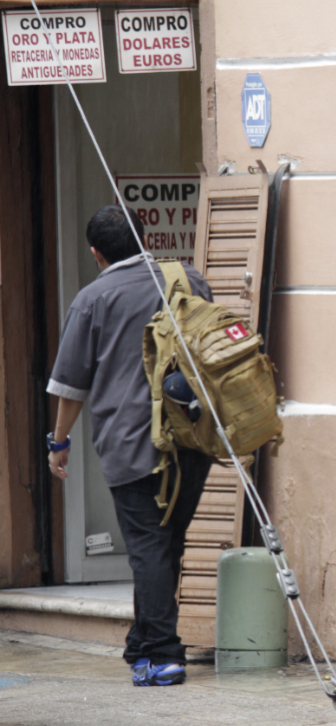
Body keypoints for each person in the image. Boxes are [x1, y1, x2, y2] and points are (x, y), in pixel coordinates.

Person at [46, 205, 215, 687]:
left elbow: (70, 387)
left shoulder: (92, 299)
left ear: (96, 254)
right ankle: (142, 643)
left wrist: (59, 441)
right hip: (192, 439)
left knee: (148, 549)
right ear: (144, 236)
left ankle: (163, 654)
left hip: (132, 443)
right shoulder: (188, 279)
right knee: (164, 545)